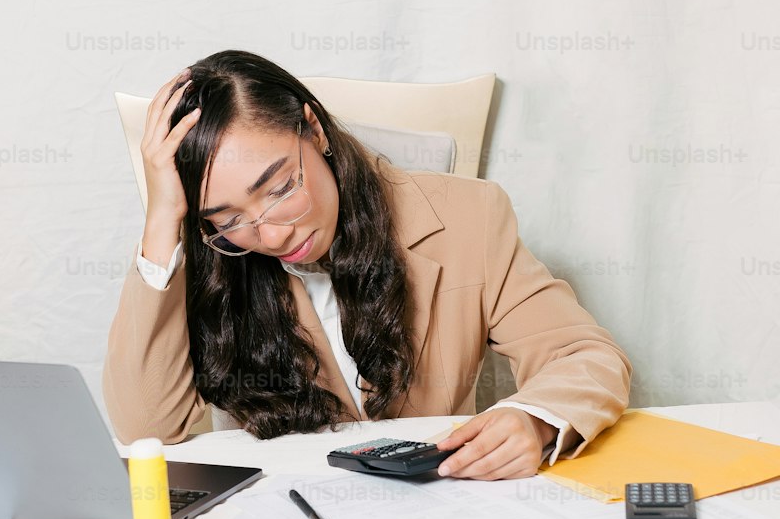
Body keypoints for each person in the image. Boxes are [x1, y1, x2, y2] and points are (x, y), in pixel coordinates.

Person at [102, 51, 632, 480]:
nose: (270, 233)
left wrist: (534, 421)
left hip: (439, 511)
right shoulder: (201, 251)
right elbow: (145, 429)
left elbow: (583, 354)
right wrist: (163, 219)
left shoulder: (470, 216)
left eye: (281, 187)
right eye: (229, 217)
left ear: (315, 130)